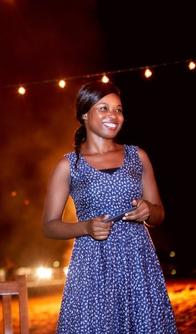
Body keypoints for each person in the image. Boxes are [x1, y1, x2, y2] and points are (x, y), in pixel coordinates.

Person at [42, 81, 177, 333]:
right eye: (103, 108)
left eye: (118, 110)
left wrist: (149, 210)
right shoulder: (69, 166)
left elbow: (159, 214)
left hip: (137, 261)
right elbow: (49, 226)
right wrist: (86, 227)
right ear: (84, 114)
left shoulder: (138, 156)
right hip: (93, 264)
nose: (113, 116)